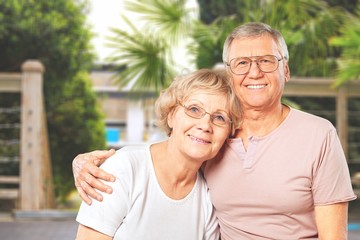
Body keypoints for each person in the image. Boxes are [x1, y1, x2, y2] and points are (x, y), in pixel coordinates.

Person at [73, 22, 357, 239]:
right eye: (242, 63)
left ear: (286, 70)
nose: (254, 72)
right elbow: (171, 151)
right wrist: (84, 162)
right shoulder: (216, 137)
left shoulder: (318, 135)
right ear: (230, 73)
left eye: (267, 61)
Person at [75, 68, 242, 240]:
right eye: (194, 110)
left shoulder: (208, 199)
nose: (205, 125)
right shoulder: (123, 169)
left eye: (220, 118)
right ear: (171, 116)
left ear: (229, 133)